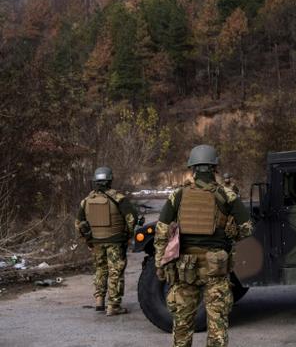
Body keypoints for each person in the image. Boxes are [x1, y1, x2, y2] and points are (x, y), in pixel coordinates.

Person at [154, 145, 252, 347]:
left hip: (184, 268)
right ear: (215, 167)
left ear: (193, 168)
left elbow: (162, 231)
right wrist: (232, 232)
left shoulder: (178, 195)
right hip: (216, 269)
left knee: (182, 326)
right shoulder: (227, 196)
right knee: (217, 327)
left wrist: (160, 264)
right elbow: (247, 230)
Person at [75, 166, 138, 315]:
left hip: (96, 241)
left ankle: (99, 301)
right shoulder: (118, 198)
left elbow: (79, 224)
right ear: (110, 180)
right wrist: (127, 235)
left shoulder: (86, 201)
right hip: (115, 241)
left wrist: (88, 240)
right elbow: (131, 219)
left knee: (100, 270)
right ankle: (113, 306)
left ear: (95, 181)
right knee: (115, 271)